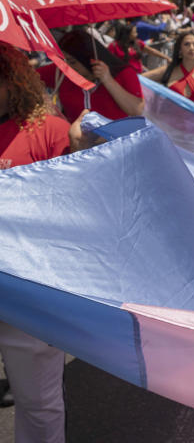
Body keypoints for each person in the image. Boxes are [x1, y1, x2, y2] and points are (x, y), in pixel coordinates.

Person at [0, 42, 75, 443]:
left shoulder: (50, 131)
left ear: (13, 80)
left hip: (29, 293)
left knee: (38, 404)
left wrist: (85, 147)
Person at [37, 30, 144, 121]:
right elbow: (29, 78)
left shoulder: (124, 73)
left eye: (72, 62)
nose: (68, 67)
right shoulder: (61, 72)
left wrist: (107, 80)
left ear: (88, 59)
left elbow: (137, 110)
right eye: (64, 61)